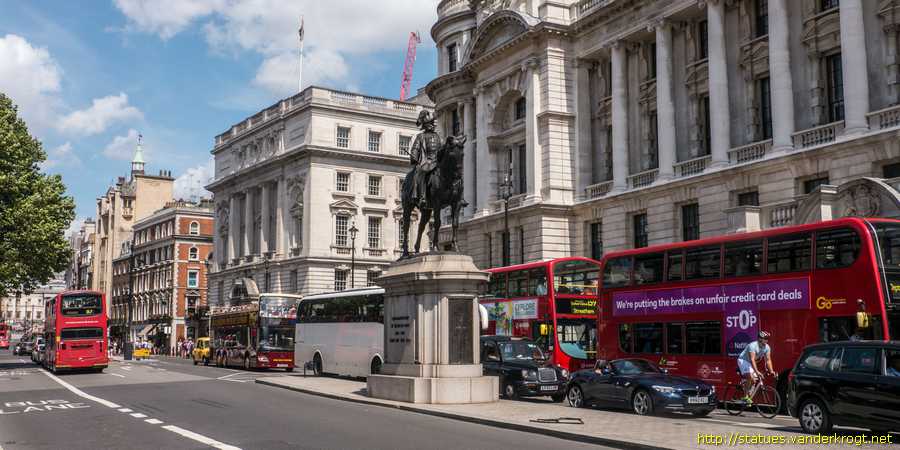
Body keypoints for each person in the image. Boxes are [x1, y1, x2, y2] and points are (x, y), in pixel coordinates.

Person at [737, 331, 775, 404]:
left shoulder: (767, 347)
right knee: (750, 377)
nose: (767, 340)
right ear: (760, 339)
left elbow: (768, 360)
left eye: (767, 339)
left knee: (754, 381)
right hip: (743, 360)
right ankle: (745, 397)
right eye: (765, 338)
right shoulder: (753, 346)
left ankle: (746, 388)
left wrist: (771, 371)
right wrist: (757, 372)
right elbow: (752, 360)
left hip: (750, 363)